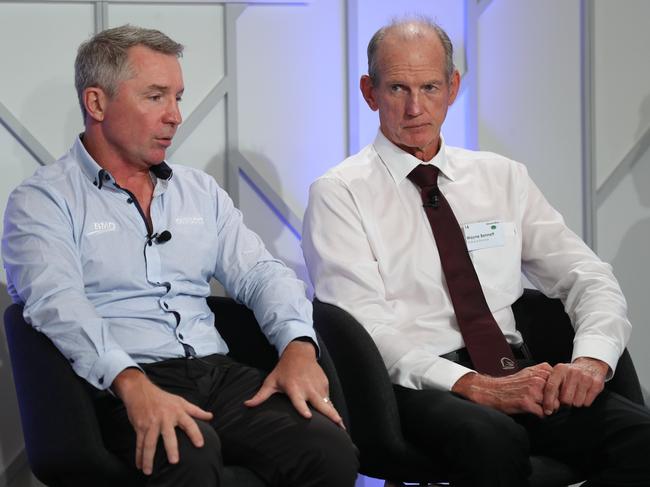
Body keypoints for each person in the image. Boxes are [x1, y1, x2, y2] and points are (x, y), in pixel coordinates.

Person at [2, 25, 357, 487]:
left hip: (217, 373)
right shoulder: (43, 200)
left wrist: (297, 346)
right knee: (186, 453)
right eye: (155, 97)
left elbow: (260, 273)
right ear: (97, 103)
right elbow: (57, 305)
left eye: (178, 98)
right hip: (121, 382)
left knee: (326, 449)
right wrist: (131, 384)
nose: (175, 116)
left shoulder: (198, 191)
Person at [302, 17, 650, 487]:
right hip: (419, 384)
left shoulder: (501, 177)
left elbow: (586, 274)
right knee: (490, 438)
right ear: (369, 92)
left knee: (638, 436)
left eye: (429, 87)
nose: (415, 108)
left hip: (517, 369)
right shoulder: (339, 192)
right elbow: (364, 328)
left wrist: (590, 359)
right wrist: (474, 386)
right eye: (398, 89)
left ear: (453, 87)